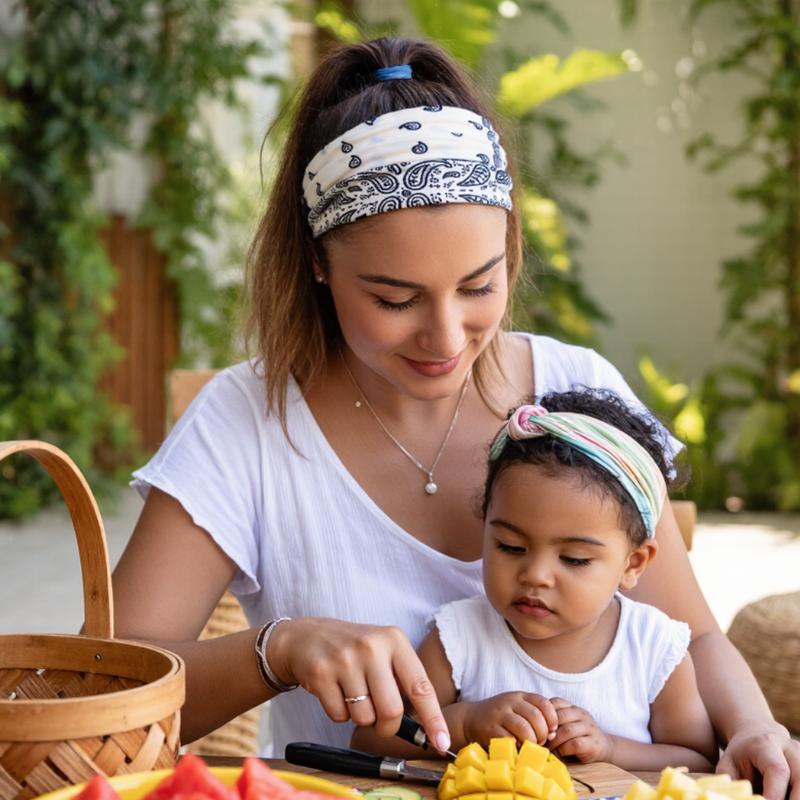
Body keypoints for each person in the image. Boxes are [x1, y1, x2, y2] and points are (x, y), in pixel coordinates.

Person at [110, 36, 799, 797]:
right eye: (395, 299)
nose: (445, 340)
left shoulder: (574, 390)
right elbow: (101, 695)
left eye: (478, 286)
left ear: (509, 245)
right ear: (317, 262)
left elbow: (690, 636)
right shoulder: (246, 424)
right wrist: (276, 652)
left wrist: (754, 727)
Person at [353, 389, 717, 771]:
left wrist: (610, 748)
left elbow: (698, 761)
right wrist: (466, 724)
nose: (536, 576)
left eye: (574, 559)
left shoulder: (653, 649)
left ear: (634, 563)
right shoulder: (459, 639)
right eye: (510, 547)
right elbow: (369, 742)